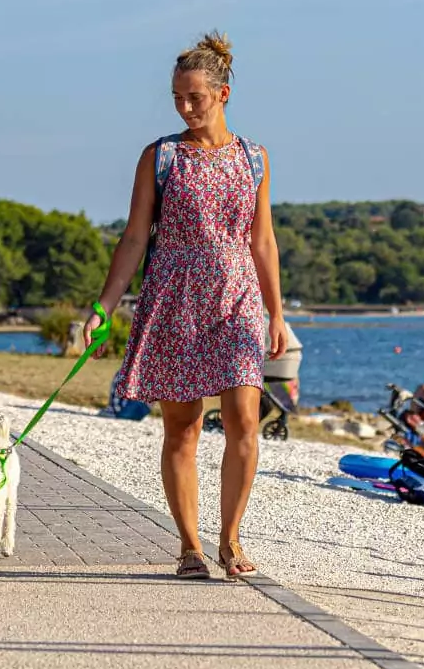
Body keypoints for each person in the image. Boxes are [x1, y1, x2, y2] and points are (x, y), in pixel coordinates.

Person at [84, 31, 288, 581]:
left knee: (245, 416)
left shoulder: (254, 157)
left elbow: (263, 240)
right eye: (178, 97)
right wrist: (103, 307)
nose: (185, 106)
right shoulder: (161, 157)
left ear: (223, 93)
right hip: (174, 296)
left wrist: (277, 312)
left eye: (195, 96)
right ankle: (190, 546)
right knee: (183, 427)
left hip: (237, 294)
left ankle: (231, 539)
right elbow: (133, 238)